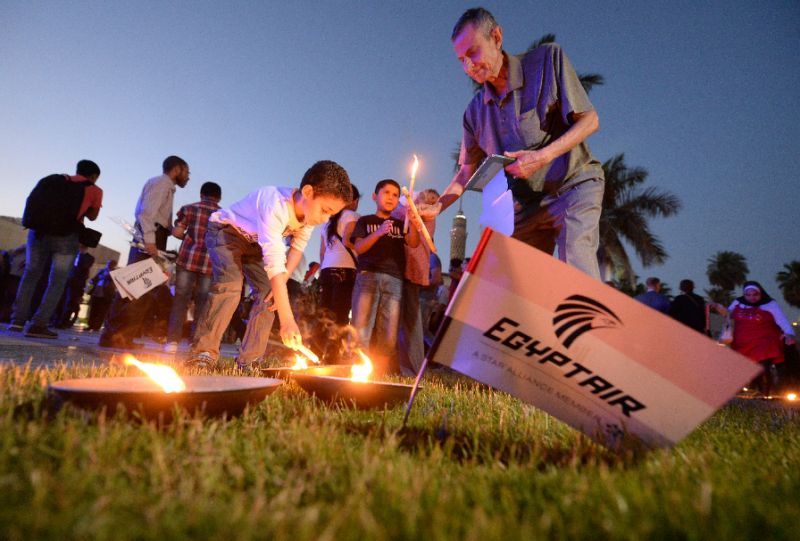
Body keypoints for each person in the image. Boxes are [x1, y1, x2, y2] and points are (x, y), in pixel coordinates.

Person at [438, 7, 605, 279]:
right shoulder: (473, 113)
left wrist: (543, 157)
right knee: (501, 276)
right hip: (526, 206)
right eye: (461, 60)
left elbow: (591, 120)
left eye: (473, 53)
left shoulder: (547, 59)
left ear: (497, 36)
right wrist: (437, 207)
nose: (468, 66)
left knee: (576, 266)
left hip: (574, 186)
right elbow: (466, 173)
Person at [188, 160, 352, 369]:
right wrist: (287, 321)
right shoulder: (275, 203)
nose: (324, 218)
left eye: (331, 214)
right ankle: (203, 352)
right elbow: (274, 261)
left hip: (254, 245)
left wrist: (280, 284)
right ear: (308, 192)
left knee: (269, 293)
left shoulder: (308, 218)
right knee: (231, 284)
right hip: (227, 232)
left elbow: (295, 251)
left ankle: (250, 359)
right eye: (325, 210)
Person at [99, 155, 190, 349]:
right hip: (150, 238)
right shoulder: (162, 184)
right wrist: (150, 241)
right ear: (177, 169)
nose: (188, 177)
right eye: (186, 172)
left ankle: (114, 335)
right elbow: (146, 213)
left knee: (132, 288)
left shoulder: (161, 184)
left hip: (152, 236)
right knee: (140, 290)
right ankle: (119, 337)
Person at [9, 160, 102, 338]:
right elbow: (93, 216)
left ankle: (17, 321)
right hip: (66, 237)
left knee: (30, 275)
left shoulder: (55, 180)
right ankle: (39, 324)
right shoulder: (94, 189)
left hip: (39, 233)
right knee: (57, 281)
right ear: (93, 176)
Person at [350, 179, 421, 375]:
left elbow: (413, 243)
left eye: (395, 195)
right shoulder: (365, 221)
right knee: (361, 328)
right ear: (375, 196)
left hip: (394, 280)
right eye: (386, 192)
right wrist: (379, 232)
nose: (391, 197)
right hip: (368, 277)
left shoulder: (401, 224)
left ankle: (380, 374)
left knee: (388, 333)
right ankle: (356, 373)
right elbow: (359, 247)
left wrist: (413, 222)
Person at [163, 181, 222, 353]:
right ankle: (195, 343)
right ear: (218, 197)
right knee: (202, 305)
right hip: (209, 265)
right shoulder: (223, 215)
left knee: (180, 301)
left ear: (201, 194)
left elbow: (178, 233)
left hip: (187, 260)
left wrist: (189, 237)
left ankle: (172, 343)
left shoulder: (189, 209)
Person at [394, 188, 439, 374]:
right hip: (404, 268)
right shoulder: (413, 212)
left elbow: (402, 213)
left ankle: (412, 366)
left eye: (431, 200)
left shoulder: (426, 214)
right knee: (402, 320)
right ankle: (403, 364)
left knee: (411, 320)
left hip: (411, 269)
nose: (428, 202)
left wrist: (408, 202)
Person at [316, 185, 361, 362]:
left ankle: (319, 353)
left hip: (327, 270)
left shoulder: (327, 221)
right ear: (353, 201)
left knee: (326, 316)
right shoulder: (352, 215)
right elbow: (349, 240)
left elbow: (322, 252)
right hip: (346, 270)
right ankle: (333, 357)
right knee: (340, 316)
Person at [727, 281, 796, 397]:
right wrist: (717, 307)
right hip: (742, 343)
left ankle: (764, 395)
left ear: (760, 293)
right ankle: (743, 394)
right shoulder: (738, 302)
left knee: (762, 368)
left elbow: (781, 319)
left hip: (764, 342)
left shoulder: (769, 303)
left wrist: (789, 333)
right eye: (748, 295)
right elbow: (727, 315)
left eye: (755, 295)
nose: (752, 298)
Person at [54, 245, 96, 328]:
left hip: (77, 284)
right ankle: (56, 319)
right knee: (61, 300)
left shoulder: (89, 258)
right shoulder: (72, 255)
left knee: (70, 302)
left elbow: (84, 266)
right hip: (66, 281)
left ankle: (63, 322)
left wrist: (80, 255)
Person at [86, 259, 118, 331]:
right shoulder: (102, 271)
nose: (108, 265)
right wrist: (91, 282)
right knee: (93, 310)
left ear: (114, 265)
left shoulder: (114, 272)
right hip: (97, 292)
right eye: (108, 263)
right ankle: (90, 325)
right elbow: (94, 279)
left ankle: (96, 326)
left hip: (106, 295)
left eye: (110, 264)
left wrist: (106, 275)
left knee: (102, 311)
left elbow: (112, 280)